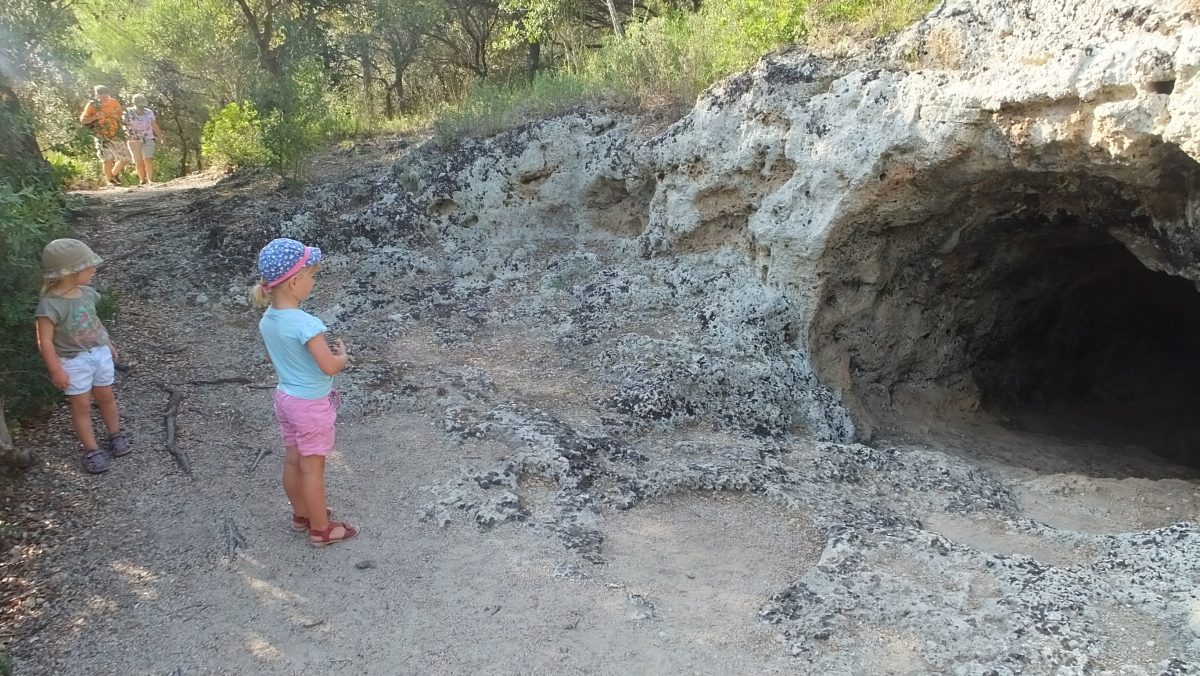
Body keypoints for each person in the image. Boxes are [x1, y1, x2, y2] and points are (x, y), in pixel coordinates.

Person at [250, 238, 358, 547]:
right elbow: (328, 366)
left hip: (285, 399)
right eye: (311, 276)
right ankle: (321, 529)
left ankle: (301, 515)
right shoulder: (306, 324)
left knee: (293, 461)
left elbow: (277, 358)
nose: (313, 281)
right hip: (310, 405)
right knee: (313, 469)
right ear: (295, 282)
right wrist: (342, 357)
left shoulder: (268, 320)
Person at [35, 239, 132, 474]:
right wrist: (56, 369)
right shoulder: (50, 306)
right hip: (73, 360)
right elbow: (44, 340)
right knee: (81, 406)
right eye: (89, 267)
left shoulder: (87, 294)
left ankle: (115, 434)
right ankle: (91, 450)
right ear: (71, 271)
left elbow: (93, 322)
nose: (94, 271)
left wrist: (107, 343)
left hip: (98, 354)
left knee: (106, 396)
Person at [78, 85, 131, 187]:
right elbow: (83, 120)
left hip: (114, 134)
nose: (104, 98)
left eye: (106, 96)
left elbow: (121, 116)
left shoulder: (114, 102)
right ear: (96, 95)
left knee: (126, 158)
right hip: (101, 135)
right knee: (107, 159)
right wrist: (95, 116)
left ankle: (113, 175)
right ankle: (110, 181)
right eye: (101, 96)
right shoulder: (92, 105)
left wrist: (126, 128)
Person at [123, 94, 165, 186]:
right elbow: (124, 125)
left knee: (148, 158)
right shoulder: (128, 112)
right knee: (138, 161)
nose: (141, 107)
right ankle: (142, 180)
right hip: (134, 139)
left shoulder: (149, 112)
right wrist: (126, 134)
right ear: (134, 103)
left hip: (148, 137)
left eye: (142, 105)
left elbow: (154, 125)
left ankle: (150, 180)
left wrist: (160, 136)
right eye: (139, 105)